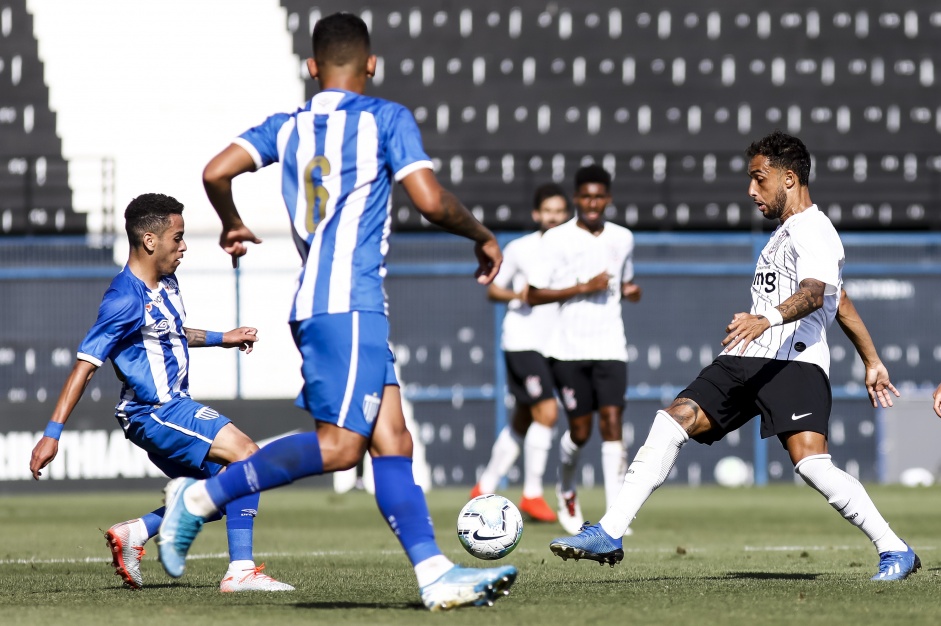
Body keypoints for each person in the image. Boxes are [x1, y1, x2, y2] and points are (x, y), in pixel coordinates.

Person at [155, 12, 517, 611]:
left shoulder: (288, 126)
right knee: (341, 448)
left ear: (311, 67)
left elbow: (215, 171)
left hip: (336, 303)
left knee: (392, 440)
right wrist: (481, 233)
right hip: (345, 302)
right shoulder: (385, 118)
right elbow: (429, 200)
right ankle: (198, 500)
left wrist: (232, 222)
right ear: (371, 64)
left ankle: (433, 576)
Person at [549, 130, 919, 582]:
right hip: (747, 357)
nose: (750, 190)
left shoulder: (815, 230)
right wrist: (872, 359)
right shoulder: (786, 233)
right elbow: (840, 302)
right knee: (673, 419)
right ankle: (609, 530)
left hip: (793, 361)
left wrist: (767, 320)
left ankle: (894, 548)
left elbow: (816, 294)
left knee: (812, 466)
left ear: (788, 178)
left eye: (758, 179)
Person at [28, 193, 293, 593]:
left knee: (224, 489)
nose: (183, 246)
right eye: (178, 237)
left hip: (169, 408)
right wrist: (52, 433)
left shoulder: (166, 282)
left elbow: (169, 332)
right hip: (155, 410)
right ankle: (240, 571)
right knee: (247, 455)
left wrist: (224, 337)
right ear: (150, 241)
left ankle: (136, 531)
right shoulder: (122, 300)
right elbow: (84, 366)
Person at [527, 164, 642, 535]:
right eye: (586, 196)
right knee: (580, 431)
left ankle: (615, 517)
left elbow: (624, 281)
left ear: (608, 199)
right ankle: (566, 488)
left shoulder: (622, 238)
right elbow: (533, 293)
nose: (592, 203)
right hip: (567, 349)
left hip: (611, 345)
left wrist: (630, 291)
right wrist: (583, 287)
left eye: (599, 196)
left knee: (612, 426)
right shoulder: (556, 239)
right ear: (576, 198)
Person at [471, 183, 569, 522]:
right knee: (547, 413)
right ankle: (532, 494)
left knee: (524, 419)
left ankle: (483, 485)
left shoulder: (575, 248)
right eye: (548, 211)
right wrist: (519, 295)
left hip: (556, 345)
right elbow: (492, 289)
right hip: (523, 341)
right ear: (536, 214)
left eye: (559, 211)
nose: (554, 217)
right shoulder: (520, 248)